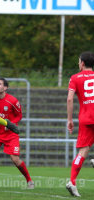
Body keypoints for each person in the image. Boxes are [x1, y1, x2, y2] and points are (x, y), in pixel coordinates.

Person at [66, 51, 94, 197]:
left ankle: (72, 182)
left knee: (82, 152)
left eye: (78, 61)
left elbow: (70, 99)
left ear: (82, 63)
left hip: (85, 119)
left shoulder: (75, 78)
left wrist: (70, 120)